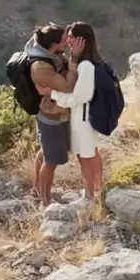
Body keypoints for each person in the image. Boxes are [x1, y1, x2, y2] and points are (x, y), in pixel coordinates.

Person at [25, 23, 85, 206]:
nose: (67, 41)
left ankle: (37, 190)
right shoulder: (41, 66)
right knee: (51, 161)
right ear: (54, 44)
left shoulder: (52, 55)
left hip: (59, 113)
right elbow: (68, 86)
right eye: (64, 39)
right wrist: (74, 57)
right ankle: (45, 201)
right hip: (52, 117)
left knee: (46, 153)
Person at [49, 21, 104, 200]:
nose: (68, 40)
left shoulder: (86, 66)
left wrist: (53, 94)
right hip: (84, 116)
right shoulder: (86, 61)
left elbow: (80, 97)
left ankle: (90, 195)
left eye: (72, 37)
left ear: (82, 40)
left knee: (86, 156)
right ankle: (97, 189)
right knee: (90, 153)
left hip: (83, 119)